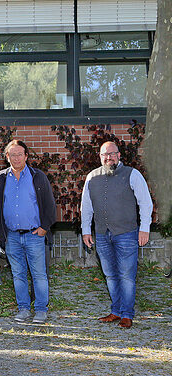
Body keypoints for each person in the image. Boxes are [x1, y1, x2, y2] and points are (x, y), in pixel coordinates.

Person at [81, 141, 153, 329]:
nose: (109, 157)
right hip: (102, 234)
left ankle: (127, 315)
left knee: (127, 276)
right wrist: (86, 230)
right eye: (105, 154)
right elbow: (86, 207)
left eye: (112, 153)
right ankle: (116, 311)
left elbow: (145, 203)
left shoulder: (132, 174)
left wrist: (145, 228)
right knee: (110, 275)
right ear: (100, 157)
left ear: (119, 155)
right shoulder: (92, 177)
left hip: (127, 233)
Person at [0, 140, 56, 324]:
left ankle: (41, 309)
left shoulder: (37, 176)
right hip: (12, 236)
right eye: (12, 154)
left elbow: (50, 205)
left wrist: (44, 228)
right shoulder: (1, 178)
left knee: (39, 274)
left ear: (26, 156)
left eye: (19, 154)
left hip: (34, 235)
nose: (16, 158)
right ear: (6, 157)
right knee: (18, 274)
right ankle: (23, 309)